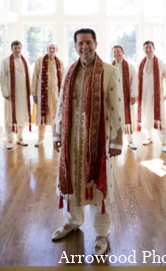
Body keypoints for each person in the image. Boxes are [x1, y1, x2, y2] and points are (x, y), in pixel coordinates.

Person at [52, 28, 123, 256]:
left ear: (96, 43)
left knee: (99, 187)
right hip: (72, 139)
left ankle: (102, 233)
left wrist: (116, 140)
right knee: (71, 181)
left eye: (88, 42)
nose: (85, 47)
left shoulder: (109, 71)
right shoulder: (69, 71)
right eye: (80, 43)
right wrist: (56, 134)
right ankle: (73, 221)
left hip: (98, 142)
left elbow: (116, 108)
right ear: (75, 46)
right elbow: (62, 103)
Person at [137, 41, 166, 153]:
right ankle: (149, 137)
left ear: (154, 48)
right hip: (145, 97)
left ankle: (163, 143)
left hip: (157, 97)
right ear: (143, 50)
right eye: (146, 47)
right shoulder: (141, 63)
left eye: (150, 47)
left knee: (160, 119)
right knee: (147, 117)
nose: (148, 49)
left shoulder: (161, 63)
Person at [0, 40, 32, 149]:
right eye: (15, 48)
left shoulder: (25, 61)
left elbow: (29, 76)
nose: (17, 50)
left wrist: (30, 91)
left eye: (19, 48)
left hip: (23, 94)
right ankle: (9, 139)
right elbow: (2, 78)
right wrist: (5, 92)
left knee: (22, 115)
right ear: (11, 49)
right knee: (9, 117)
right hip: (11, 95)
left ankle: (20, 137)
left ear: (21, 49)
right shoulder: (5, 61)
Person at [31, 43, 64, 147]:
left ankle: (56, 138)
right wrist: (34, 93)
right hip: (42, 95)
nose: (52, 49)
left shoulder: (59, 63)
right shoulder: (40, 61)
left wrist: (62, 95)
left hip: (55, 95)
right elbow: (35, 77)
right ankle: (40, 139)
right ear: (47, 49)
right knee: (42, 117)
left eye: (54, 48)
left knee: (55, 117)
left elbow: (62, 80)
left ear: (56, 50)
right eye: (50, 48)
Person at [112, 45, 138, 150]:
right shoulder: (111, 66)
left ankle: (130, 140)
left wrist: (133, 95)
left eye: (118, 51)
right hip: (115, 97)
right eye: (114, 52)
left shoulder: (130, 66)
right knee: (115, 118)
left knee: (128, 118)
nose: (116, 54)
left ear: (123, 53)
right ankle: (116, 141)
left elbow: (134, 81)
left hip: (127, 97)